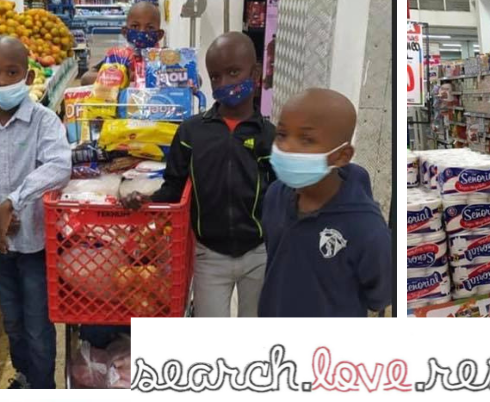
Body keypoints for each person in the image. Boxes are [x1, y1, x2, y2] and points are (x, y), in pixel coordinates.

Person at [123, 32, 275, 318]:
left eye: (233, 72)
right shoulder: (192, 132)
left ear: (254, 73)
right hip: (209, 255)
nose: (225, 83)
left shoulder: (269, 136)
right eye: (216, 76)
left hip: (259, 253)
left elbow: (280, 195)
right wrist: (142, 198)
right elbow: (172, 187)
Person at [0, 36, 71, 389]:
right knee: (12, 321)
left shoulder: (43, 122)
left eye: (11, 73)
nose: (2, 82)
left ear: (28, 78)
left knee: (37, 323)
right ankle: (25, 376)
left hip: (37, 246)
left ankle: (44, 388)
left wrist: (11, 203)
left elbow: (59, 165)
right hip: (0, 248)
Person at [257, 88, 393, 317]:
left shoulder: (366, 229)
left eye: (306, 139)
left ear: (342, 156)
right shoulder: (275, 196)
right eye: (282, 134)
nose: (286, 147)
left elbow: (380, 295)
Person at [80, 1, 164, 85]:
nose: (142, 31)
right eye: (135, 26)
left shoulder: (165, 59)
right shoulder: (117, 57)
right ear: (125, 32)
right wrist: (122, 76)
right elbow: (86, 79)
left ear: (159, 35)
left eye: (150, 28)